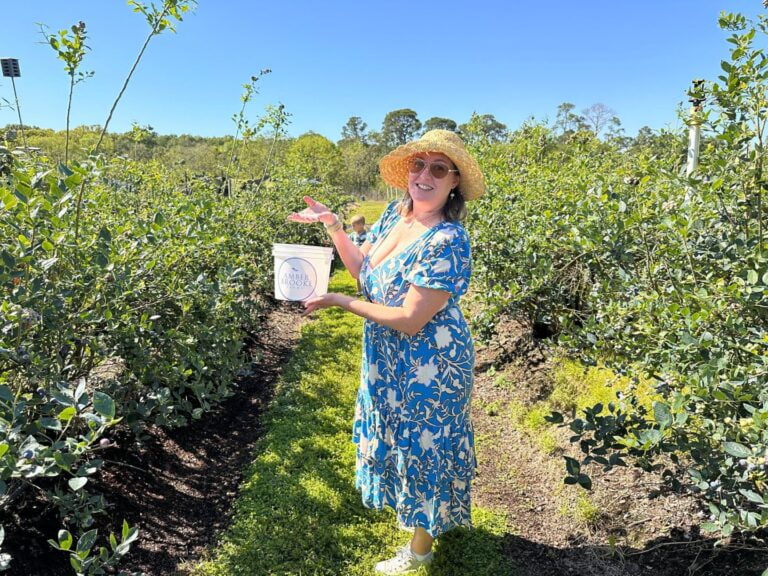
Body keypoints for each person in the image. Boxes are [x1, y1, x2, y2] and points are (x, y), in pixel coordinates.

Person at [287, 130, 485, 575]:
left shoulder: (448, 239)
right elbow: (363, 269)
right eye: (419, 165)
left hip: (430, 364)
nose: (425, 175)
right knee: (399, 440)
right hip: (388, 358)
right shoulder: (397, 217)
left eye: (439, 168)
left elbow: (411, 318)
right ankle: (417, 527)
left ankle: (420, 552)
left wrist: (339, 302)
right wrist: (334, 226)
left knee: (426, 447)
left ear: (454, 182)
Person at [348, 215, 367, 294]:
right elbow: (347, 242)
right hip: (356, 257)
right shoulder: (353, 235)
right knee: (357, 274)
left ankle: (366, 289)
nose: (352, 227)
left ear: (361, 225)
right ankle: (359, 290)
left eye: (354, 225)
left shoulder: (368, 235)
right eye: (352, 225)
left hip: (365, 257)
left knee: (365, 273)